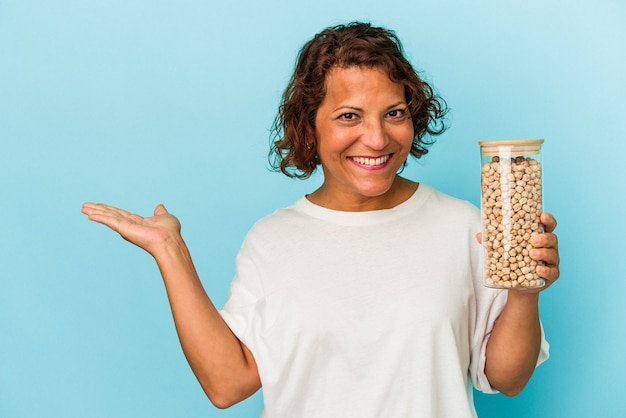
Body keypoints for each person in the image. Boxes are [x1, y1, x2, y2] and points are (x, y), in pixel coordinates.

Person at [82, 22, 560, 418]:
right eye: (349, 116)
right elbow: (227, 385)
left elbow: (507, 378)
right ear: (309, 124)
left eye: (393, 113)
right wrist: (170, 252)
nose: (376, 138)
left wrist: (523, 289)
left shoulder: (462, 226)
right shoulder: (273, 240)